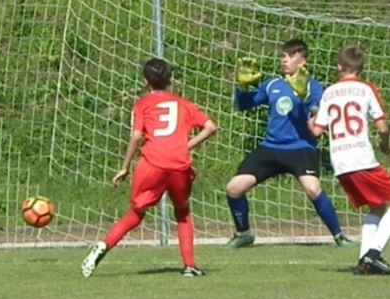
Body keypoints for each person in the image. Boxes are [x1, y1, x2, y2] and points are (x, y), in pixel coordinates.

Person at [81, 58, 217, 278]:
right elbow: (210, 127)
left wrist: (124, 167)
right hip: (179, 165)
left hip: (152, 164)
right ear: (170, 80)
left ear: (146, 81)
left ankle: (103, 245)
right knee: (182, 212)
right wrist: (186, 145)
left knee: (136, 213)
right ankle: (189, 266)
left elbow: (136, 136)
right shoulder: (183, 103)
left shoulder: (142, 104)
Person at [225, 38, 352, 248]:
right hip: (272, 147)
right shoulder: (273, 84)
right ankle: (244, 233)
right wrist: (242, 87)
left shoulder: (311, 86)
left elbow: (317, 113)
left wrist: (303, 98)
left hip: (300, 147)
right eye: (283, 56)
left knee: (313, 189)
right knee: (234, 188)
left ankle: (339, 236)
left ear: (303, 61)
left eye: (291, 56)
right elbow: (243, 105)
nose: (285, 60)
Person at [308, 45, 390, 275]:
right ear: (361, 68)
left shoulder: (329, 92)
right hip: (362, 158)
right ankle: (373, 254)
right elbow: (382, 127)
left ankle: (364, 262)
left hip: (340, 162)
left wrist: (307, 117)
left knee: (377, 206)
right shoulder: (366, 89)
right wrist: (385, 146)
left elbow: (316, 131)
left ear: (339, 67)